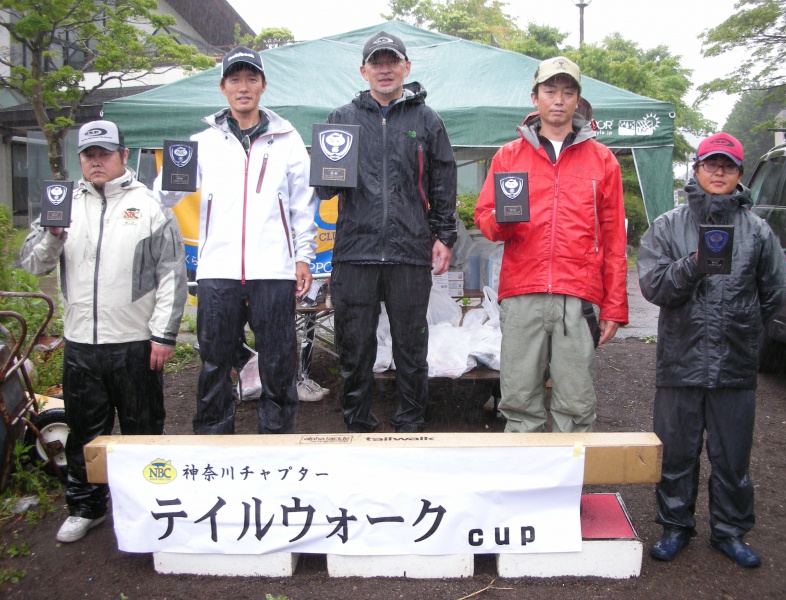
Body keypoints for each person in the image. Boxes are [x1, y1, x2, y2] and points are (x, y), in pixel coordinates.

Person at [18, 119, 187, 543]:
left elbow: (171, 275)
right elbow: (32, 264)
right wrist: (52, 237)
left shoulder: (149, 205)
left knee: (143, 429)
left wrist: (164, 336)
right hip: (80, 344)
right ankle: (85, 506)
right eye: (89, 155)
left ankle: (147, 506)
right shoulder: (60, 204)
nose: (97, 162)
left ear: (123, 156)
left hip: (133, 344)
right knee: (85, 432)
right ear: (80, 159)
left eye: (105, 154)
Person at [638, 132, 786, 568]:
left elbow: (773, 293)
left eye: (728, 166)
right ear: (697, 169)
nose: (719, 172)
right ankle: (675, 526)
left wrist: (739, 329)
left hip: (735, 364)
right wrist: (695, 263)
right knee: (677, 452)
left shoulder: (758, 230)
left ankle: (730, 531)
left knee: (732, 456)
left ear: (740, 175)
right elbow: (654, 286)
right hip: (679, 362)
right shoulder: (668, 225)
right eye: (711, 164)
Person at [155, 46, 318, 434]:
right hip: (218, 270)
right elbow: (164, 196)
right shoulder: (203, 141)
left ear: (263, 85)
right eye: (234, 79)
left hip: (273, 270)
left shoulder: (287, 139)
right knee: (213, 362)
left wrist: (303, 257)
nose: (242, 87)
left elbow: (302, 204)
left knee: (278, 361)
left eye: (250, 78)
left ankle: (276, 444)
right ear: (223, 87)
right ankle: (213, 442)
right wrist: (164, 183)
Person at [473, 56, 628, 434]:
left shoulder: (603, 160)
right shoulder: (509, 155)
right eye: (550, 91)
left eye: (567, 91)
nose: (558, 99)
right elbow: (485, 220)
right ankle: (522, 492)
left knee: (575, 406)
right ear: (535, 97)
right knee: (519, 403)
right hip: (523, 291)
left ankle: (564, 493)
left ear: (578, 100)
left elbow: (614, 239)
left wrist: (614, 306)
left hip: (579, 295)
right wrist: (502, 221)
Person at [315, 31, 457, 433]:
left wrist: (444, 236)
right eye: (376, 63)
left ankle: (410, 423)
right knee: (354, 348)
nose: (384, 69)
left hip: (409, 253)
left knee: (411, 346)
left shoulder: (427, 119)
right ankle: (357, 424)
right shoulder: (341, 119)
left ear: (406, 68)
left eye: (392, 62)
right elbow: (326, 188)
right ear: (363, 71)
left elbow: (443, 181)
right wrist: (325, 171)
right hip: (354, 253)